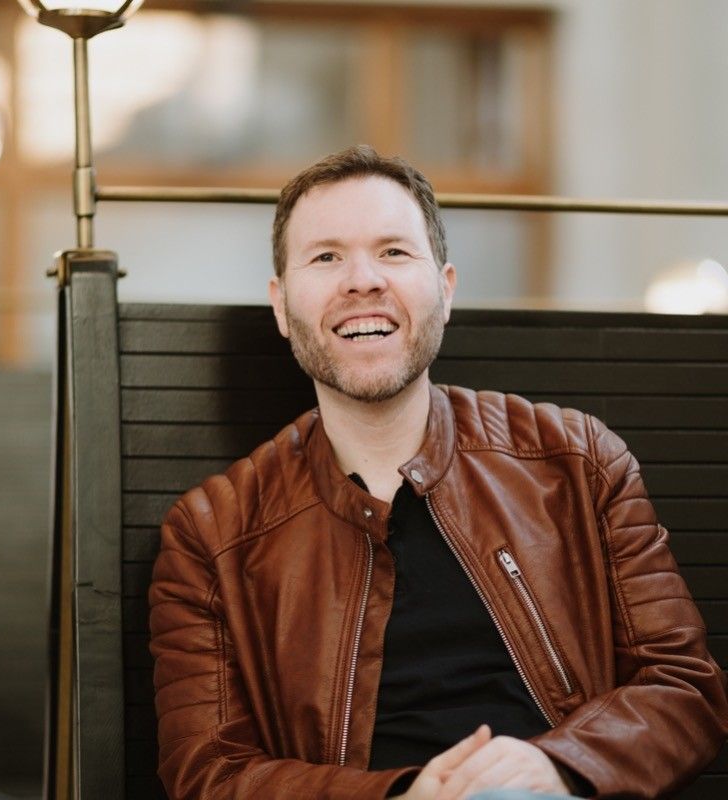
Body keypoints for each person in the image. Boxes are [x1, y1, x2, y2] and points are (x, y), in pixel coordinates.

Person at [149, 145, 728, 799]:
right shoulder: (212, 533)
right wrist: (400, 797)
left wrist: (560, 765)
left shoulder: (578, 460)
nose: (362, 280)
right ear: (282, 307)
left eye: (394, 252)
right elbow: (209, 774)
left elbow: (685, 688)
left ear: (445, 291)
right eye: (326, 256)